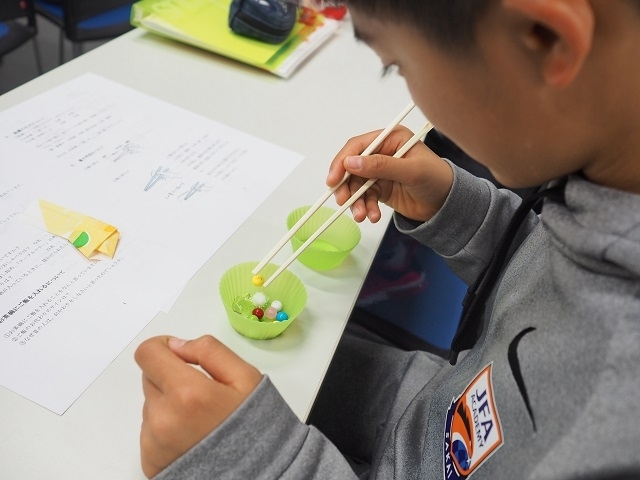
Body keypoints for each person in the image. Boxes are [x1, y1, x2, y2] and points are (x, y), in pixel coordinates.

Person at [133, 0, 640, 478]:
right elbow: (544, 271)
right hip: (435, 404)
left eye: (396, 66)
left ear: (545, 37)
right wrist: (458, 209)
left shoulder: (612, 411)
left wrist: (260, 463)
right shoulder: (608, 181)